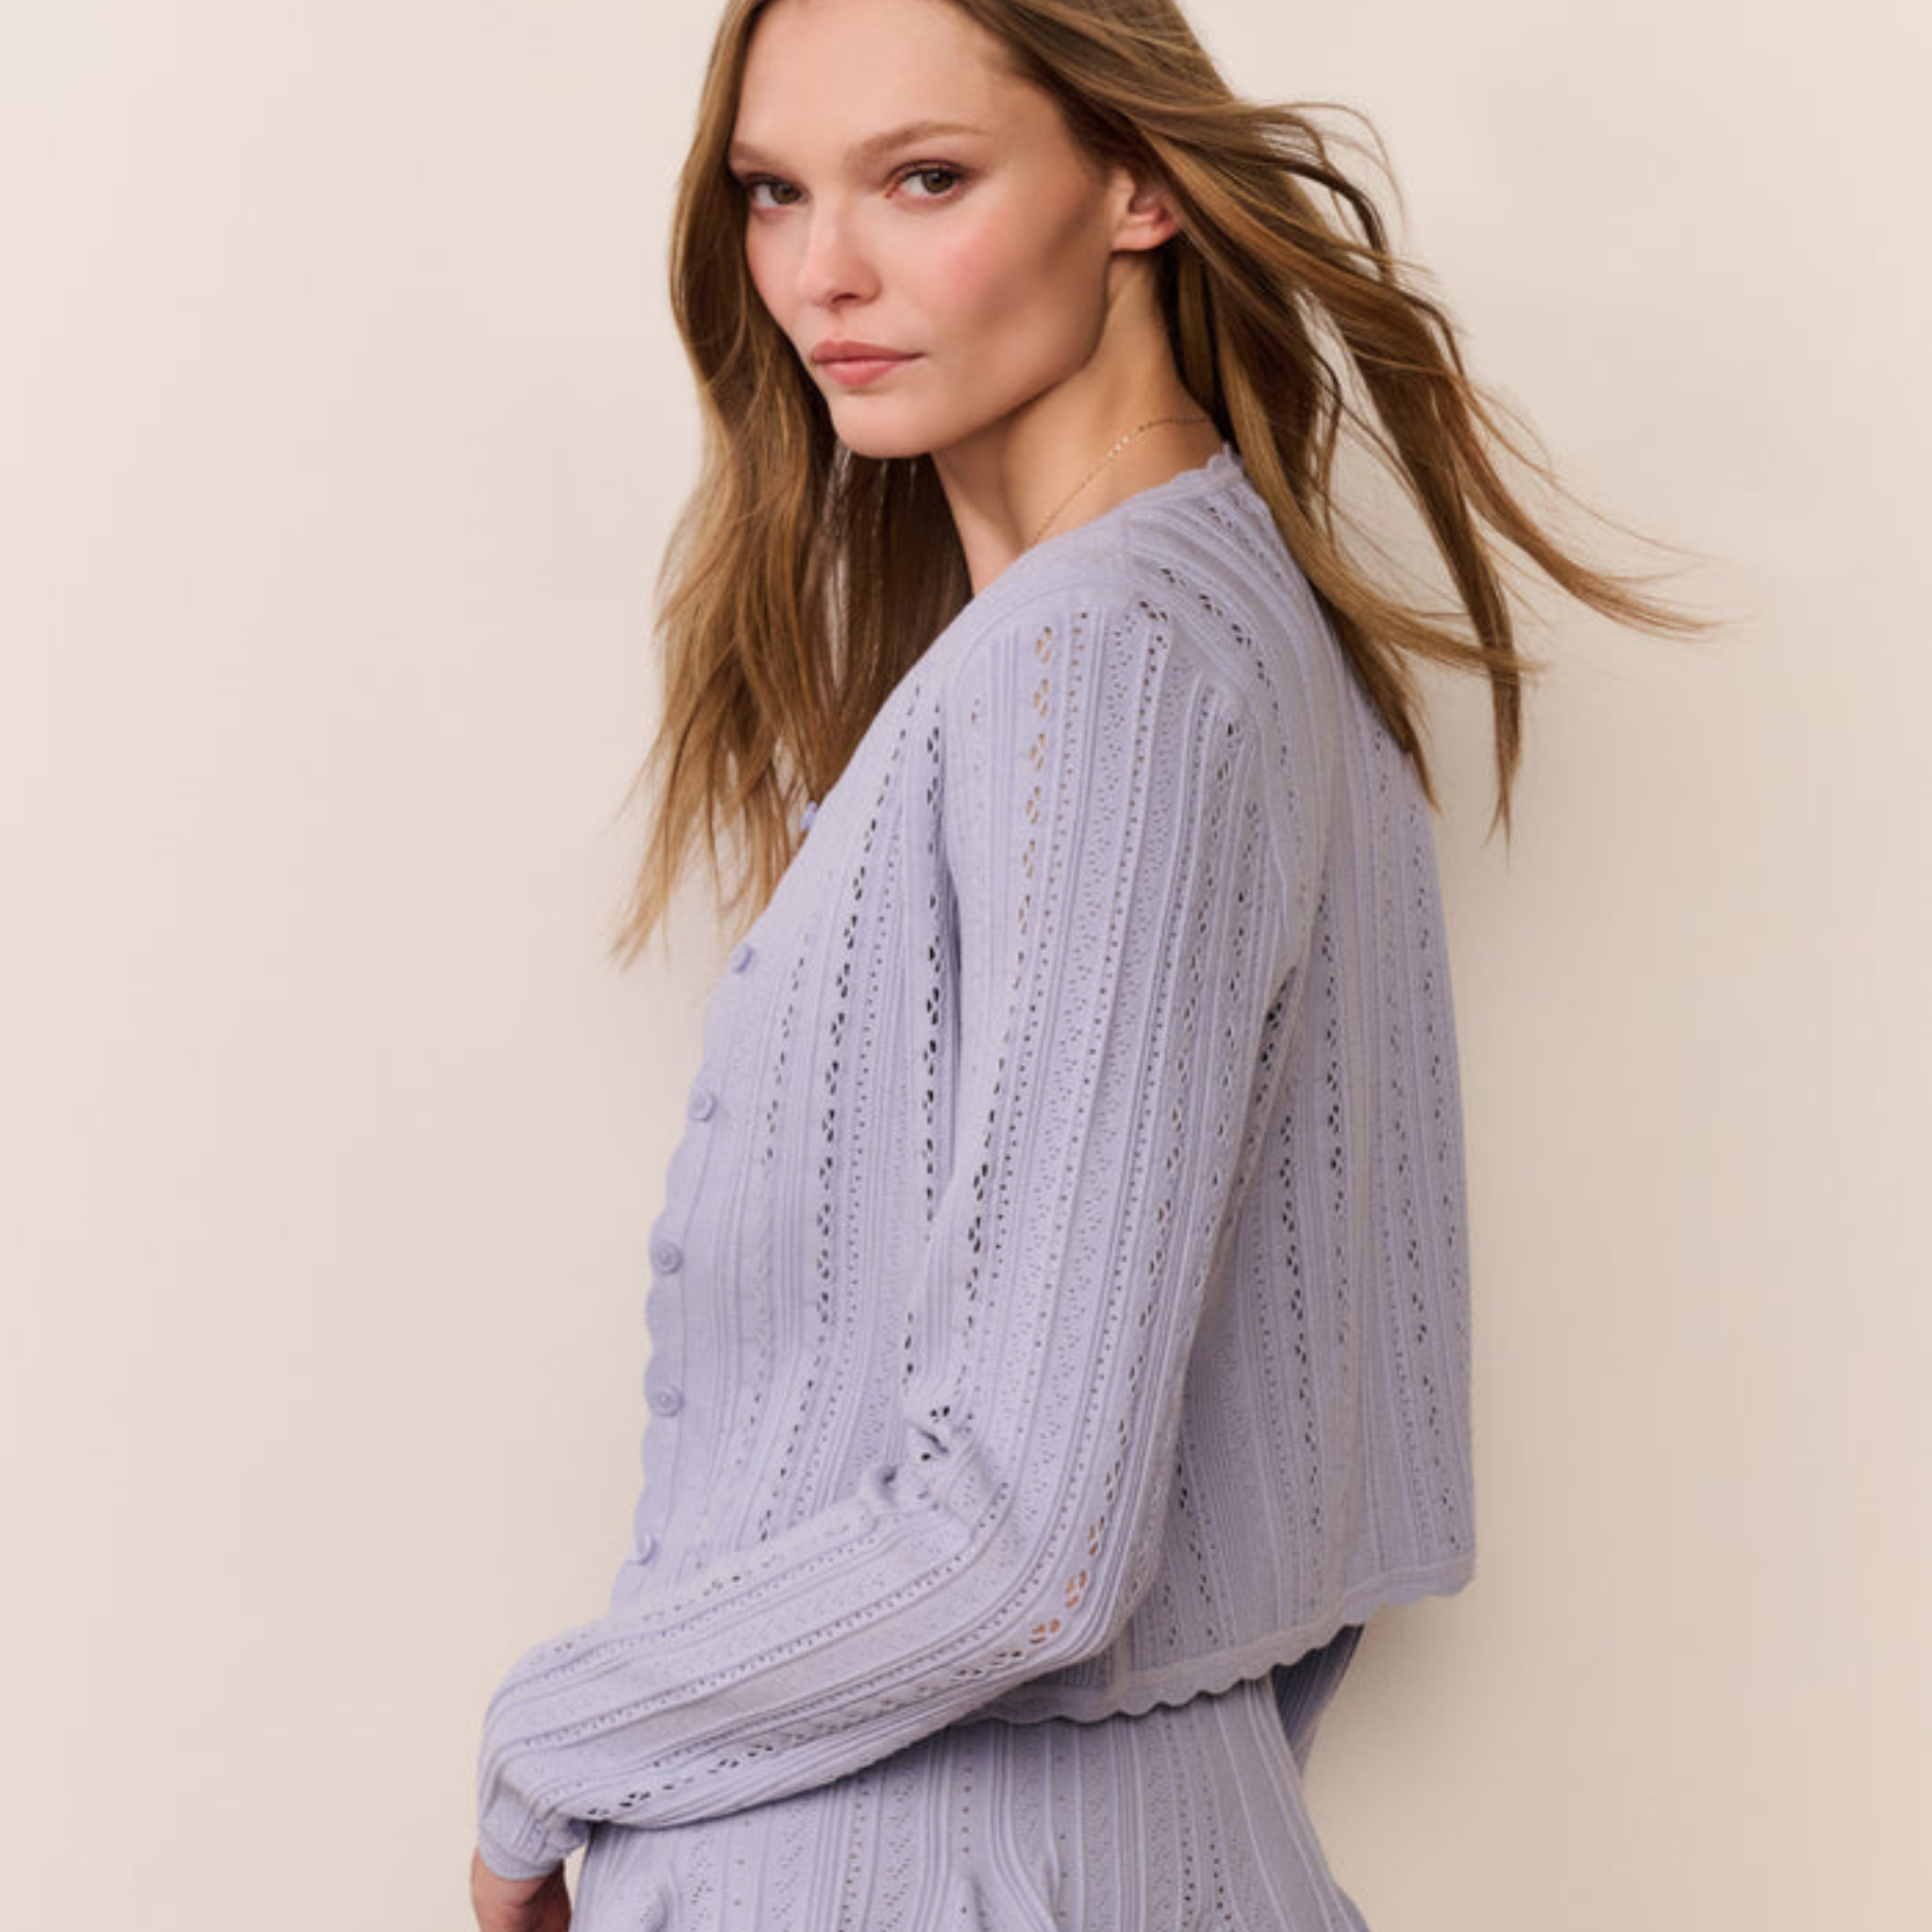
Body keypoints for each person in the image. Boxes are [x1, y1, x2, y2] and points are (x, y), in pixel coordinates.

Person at [473, 1, 1677, 1925]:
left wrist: (550, 1747)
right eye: (773, 194)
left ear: (1134, 181)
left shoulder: (1102, 669)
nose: (821, 273)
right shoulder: (1221, 622)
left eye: (923, 180)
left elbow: (1027, 1540)